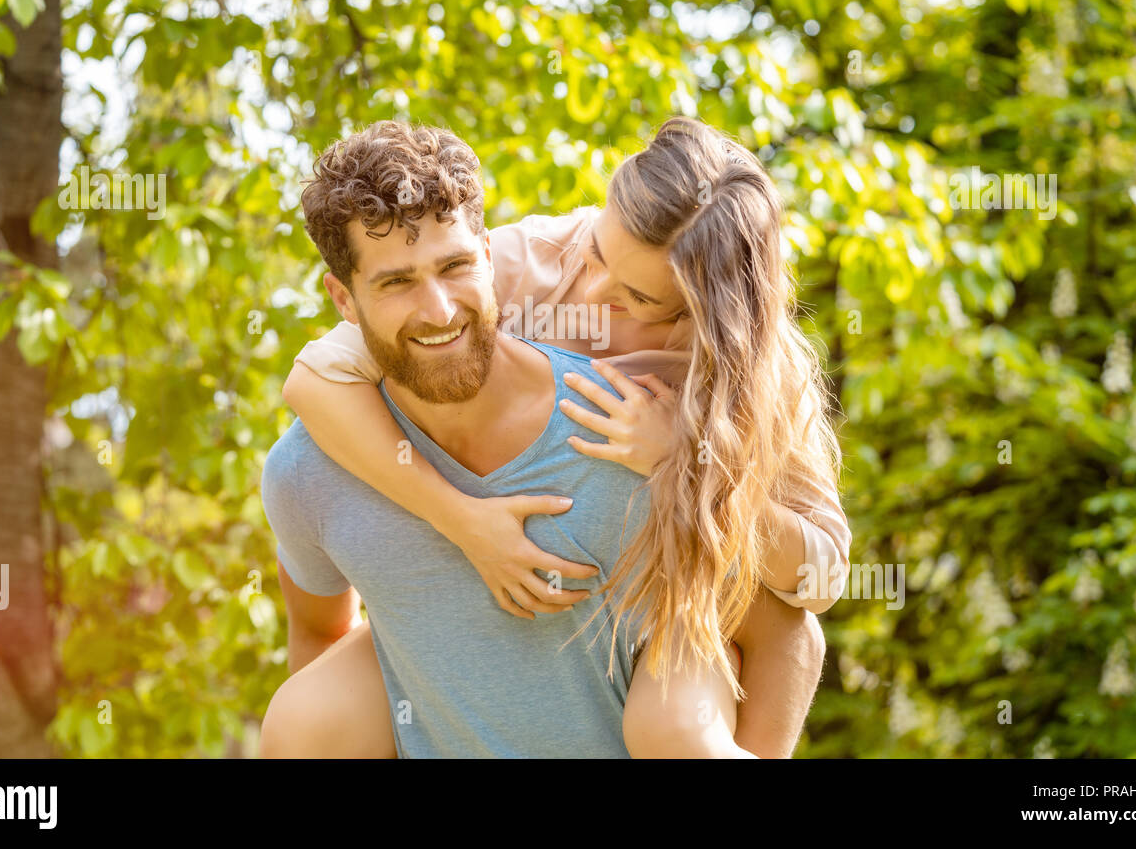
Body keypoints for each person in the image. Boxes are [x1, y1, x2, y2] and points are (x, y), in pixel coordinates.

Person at [263, 118, 848, 757]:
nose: (593, 290)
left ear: (702, 306)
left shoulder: (755, 370)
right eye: (597, 251)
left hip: (672, 614)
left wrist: (683, 461)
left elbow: (813, 589)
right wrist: (463, 520)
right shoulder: (524, 260)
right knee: (301, 716)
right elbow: (316, 381)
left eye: (635, 296)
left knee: (675, 728)